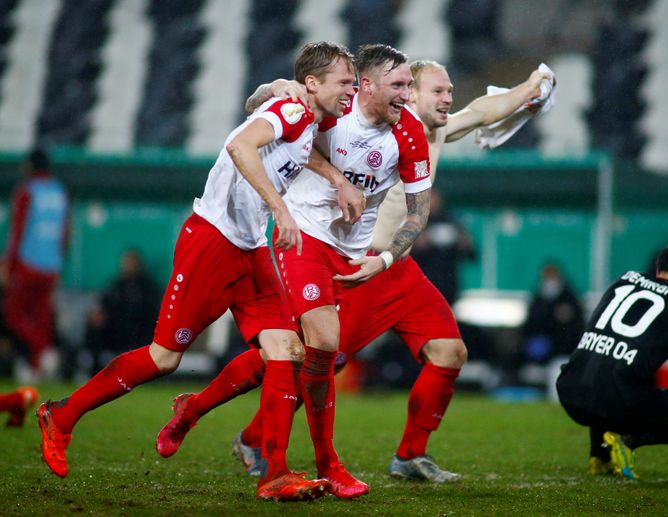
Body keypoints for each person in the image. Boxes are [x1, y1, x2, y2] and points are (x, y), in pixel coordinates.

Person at [155, 56, 555, 483]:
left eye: (450, 91)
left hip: (394, 266)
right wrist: (277, 86)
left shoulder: (430, 132)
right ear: (406, 92)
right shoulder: (350, 118)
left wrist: (533, 85)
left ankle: (409, 455)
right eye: (437, 91)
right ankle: (217, 419)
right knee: (304, 358)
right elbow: (298, 131)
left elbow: (482, 112)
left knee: (449, 351)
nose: (448, 99)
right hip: (347, 263)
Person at [36, 41, 357, 503]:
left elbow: (262, 116)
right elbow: (240, 144)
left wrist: (333, 175)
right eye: (344, 82)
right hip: (213, 242)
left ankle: (275, 473)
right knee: (164, 358)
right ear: (313, 83)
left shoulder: (307, 113)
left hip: (249, 247)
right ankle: (61, 416)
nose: (349, 90)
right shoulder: (293, 110)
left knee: (285, 348)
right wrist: (280, 210)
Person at [556, 242, 668, 481]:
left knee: (611, 365)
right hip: (619, 401)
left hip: (570, 390)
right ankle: (630, 439)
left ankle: (600, 456)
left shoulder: (624, 280)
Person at [3, 148, 69, 380]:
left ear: (30, 166)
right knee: (41, 315)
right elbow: (65, 232)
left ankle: (43, 352)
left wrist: (8, 266)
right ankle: (38, 363)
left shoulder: (26, 191)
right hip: (51, 266)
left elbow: (17, 230)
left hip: (27, 262)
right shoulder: (60, 192)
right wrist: (60, 262)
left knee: (14, 314)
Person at [84, 249, 161, 375]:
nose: (127, 265)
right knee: (94, 327)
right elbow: (104, 305)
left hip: (139, 332)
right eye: (125, 262)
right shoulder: (116, 285)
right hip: (116, 331)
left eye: (131, 262)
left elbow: (152, 312)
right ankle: (95, 370)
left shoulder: (147, 287)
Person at [410, 188, 476, 305]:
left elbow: (471, 254)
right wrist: (417, 245)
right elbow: (404, 256)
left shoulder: (452, 220)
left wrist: (464, 243)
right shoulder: (415, 222)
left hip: (448, 283)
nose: (432, 202)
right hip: (424, 282)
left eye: (434, 198)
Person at [519, 262, 584, 365]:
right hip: (539, 351)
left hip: (564, 352)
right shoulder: (538, 298)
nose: (549, 281)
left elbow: (576, 327)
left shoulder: (569, 299)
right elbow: (530, 323)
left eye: (552, 276)